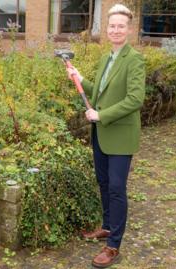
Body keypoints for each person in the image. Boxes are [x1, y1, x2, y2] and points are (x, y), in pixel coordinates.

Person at [67, 4, 146, 268]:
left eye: (120, 26)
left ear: (129, 29)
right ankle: (107, 226)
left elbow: (135, 99)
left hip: (120, 135)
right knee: (103, 182)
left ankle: (113, 246)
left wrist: (101, 115)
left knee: (116, 187)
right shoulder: (106, 58)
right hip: (101, 135)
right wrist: (80, 77)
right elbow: (99, 93)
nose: (115, 30)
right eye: (111, 25)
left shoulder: (134, 59)